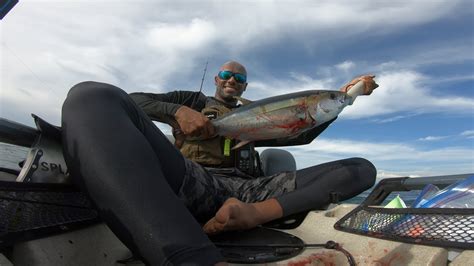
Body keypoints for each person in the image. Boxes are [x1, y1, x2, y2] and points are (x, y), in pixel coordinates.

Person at [61, 60, 378, 265]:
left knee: (360, 169)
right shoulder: (193, 100)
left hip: (251, 191)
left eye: (238, 78)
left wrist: (342, 101)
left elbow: (301, 137)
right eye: (226, 75)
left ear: (244, 86)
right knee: (91, 96)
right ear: (217, 79)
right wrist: (176, 112)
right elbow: (133, 101)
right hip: (198, 180)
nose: (232, 80)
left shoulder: (261, 115)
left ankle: (252, 216)